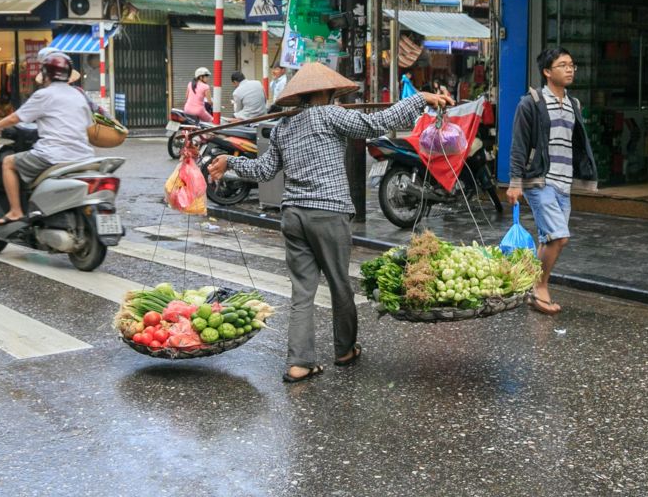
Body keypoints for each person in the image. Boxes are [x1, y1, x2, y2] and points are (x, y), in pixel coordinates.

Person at [207, 62, 453, 382]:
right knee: (339, 285)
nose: (335, 97)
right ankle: (345, 350)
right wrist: (419, 99)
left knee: (302, 292)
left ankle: (299, 362)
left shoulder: (283, 127)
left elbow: (264, 171)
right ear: (323, 93)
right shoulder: (329, 115)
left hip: (293, 216)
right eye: (332, 93)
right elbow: (376, 123)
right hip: (328, 212)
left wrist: (231, 161)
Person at [506, 47, 598, 315]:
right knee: (559, 237)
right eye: (562, 65)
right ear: (547, 72)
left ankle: (528, 285)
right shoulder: (531, 102)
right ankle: (539, 287)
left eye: (572, 65)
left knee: (549, 239)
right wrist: (515, 182)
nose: (569, 69)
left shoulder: (574, 105)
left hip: (564, 183)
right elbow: (519, 145)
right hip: (539, 181)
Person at [0, 52, 94, 225]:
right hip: (84, 156)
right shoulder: (79, 95)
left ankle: (15, 211)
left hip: (53, 155)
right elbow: (88, 125)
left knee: (8, 162)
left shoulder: (44, 95)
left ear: (46, 74)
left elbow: (16, 118)